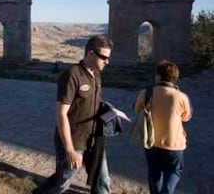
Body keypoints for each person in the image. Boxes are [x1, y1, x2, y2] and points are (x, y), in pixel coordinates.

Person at [32, 34, 113, 194]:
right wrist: (70, 150)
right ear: (90, 53)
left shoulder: (96, 74)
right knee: (63, 180)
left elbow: (93, 102)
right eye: (104, 57)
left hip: (94, 138)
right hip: (74, 140)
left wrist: (109, 111)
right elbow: (61, 114)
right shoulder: (71, 75)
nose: (107, 62)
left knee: (102, 180)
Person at [133, 60, 192, 194]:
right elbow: (186, 117)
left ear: (158, 76)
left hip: (151, 141)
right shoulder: (181, 97)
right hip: (174, 143)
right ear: (175, 78)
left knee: (154, 173)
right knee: (174, 171)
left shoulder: (146, 92)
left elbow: (137, 109)